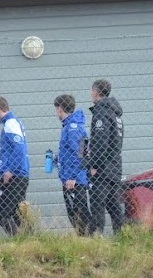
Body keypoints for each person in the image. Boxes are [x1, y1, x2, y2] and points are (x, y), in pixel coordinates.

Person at [86, 79, 124, 235]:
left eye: (91, 91)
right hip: (114, 167)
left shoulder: (101, 112)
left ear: (96, 92)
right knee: (114, 206)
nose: (91, 94)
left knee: (97, 205)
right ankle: (122, 237)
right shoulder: (115, 113)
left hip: (103, 169)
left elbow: (101, 142)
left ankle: (97, 239)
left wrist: (94, 165)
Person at [0, 96, 30, 236]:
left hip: (15, 176)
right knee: (17, 212)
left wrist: (10, 170)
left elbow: (19, 148)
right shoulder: (10, 123)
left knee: (2, 213)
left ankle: (17, 239)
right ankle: (30, 239)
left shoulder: (10, 123)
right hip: (18, 174)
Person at [53, 94, 91, 235]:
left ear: (60, 109)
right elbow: (71, 152)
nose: (56, 113)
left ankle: (91, 238)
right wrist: (58, 160)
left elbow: (80, 154)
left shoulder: (72, 128)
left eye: (56, 109)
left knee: (79, 213)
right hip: (69, 177)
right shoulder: (68, 126)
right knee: (74, 213)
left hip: (74, 180)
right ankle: (85, 239)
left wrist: (72, 177)